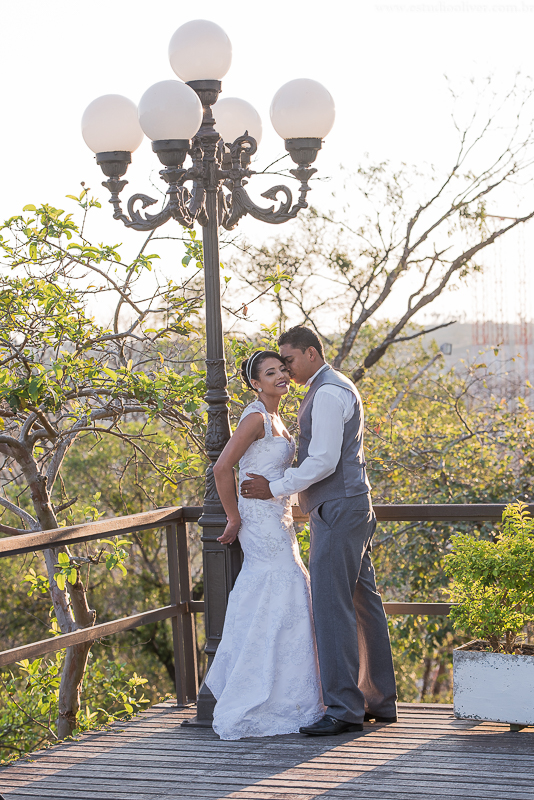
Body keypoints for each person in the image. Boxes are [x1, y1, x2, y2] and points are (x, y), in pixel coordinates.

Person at [241, 326, 397, 736]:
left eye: (289, 360)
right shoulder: (330, 387)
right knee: (364, 602)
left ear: (311, 354)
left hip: (339, 508)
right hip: (351, 505)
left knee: (332, 607)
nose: (287, 371)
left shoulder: (327, 392)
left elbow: (323, 461)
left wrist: (274, 488)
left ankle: (344, 709)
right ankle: (379, 700)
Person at [204, 349, 325, 740]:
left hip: (280, 518)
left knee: (284, 592)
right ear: (256, 382)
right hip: (258, 521)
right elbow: (222, 468)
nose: (281, 377)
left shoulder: (278, 420)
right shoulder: (256, 416)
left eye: (282, 370)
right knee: (285, 585)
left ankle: (288, 695)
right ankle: (259, 695)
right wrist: (234, 517)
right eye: (270, 373)